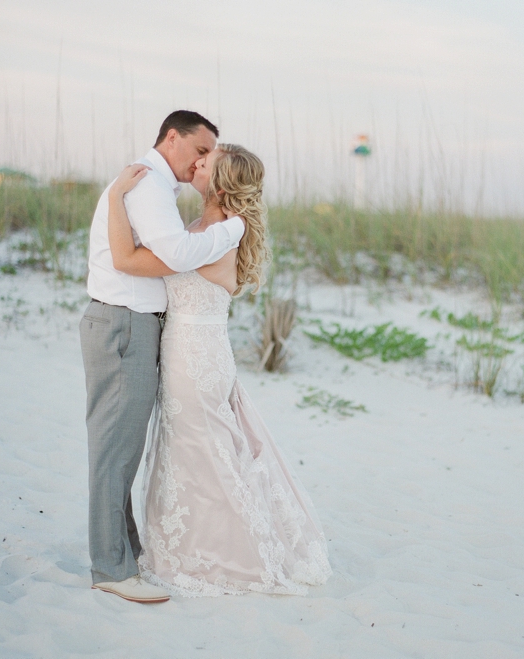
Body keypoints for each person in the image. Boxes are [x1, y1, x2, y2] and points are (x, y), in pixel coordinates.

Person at [106, 144, 332, 597]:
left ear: (222, 182)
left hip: (196, 357)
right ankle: (188, 548)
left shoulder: (223, 232)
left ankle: (223, 557)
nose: (196, 162)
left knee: (202, 454)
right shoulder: (200, 229)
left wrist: (114, 198)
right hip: (192, 352)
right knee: (193, 452)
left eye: (205, 162)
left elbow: (128, 260)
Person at [80, 111, 245, 604]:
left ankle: (123, 554)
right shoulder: (147, 184)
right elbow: (173, 252)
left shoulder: (152, 186)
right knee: (115, 451)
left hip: (134, 326)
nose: (201, 161)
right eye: (199, 149)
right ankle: (110, 566)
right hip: (124, 324)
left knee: (123, 449)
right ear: (171, 137)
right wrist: (231, 231)